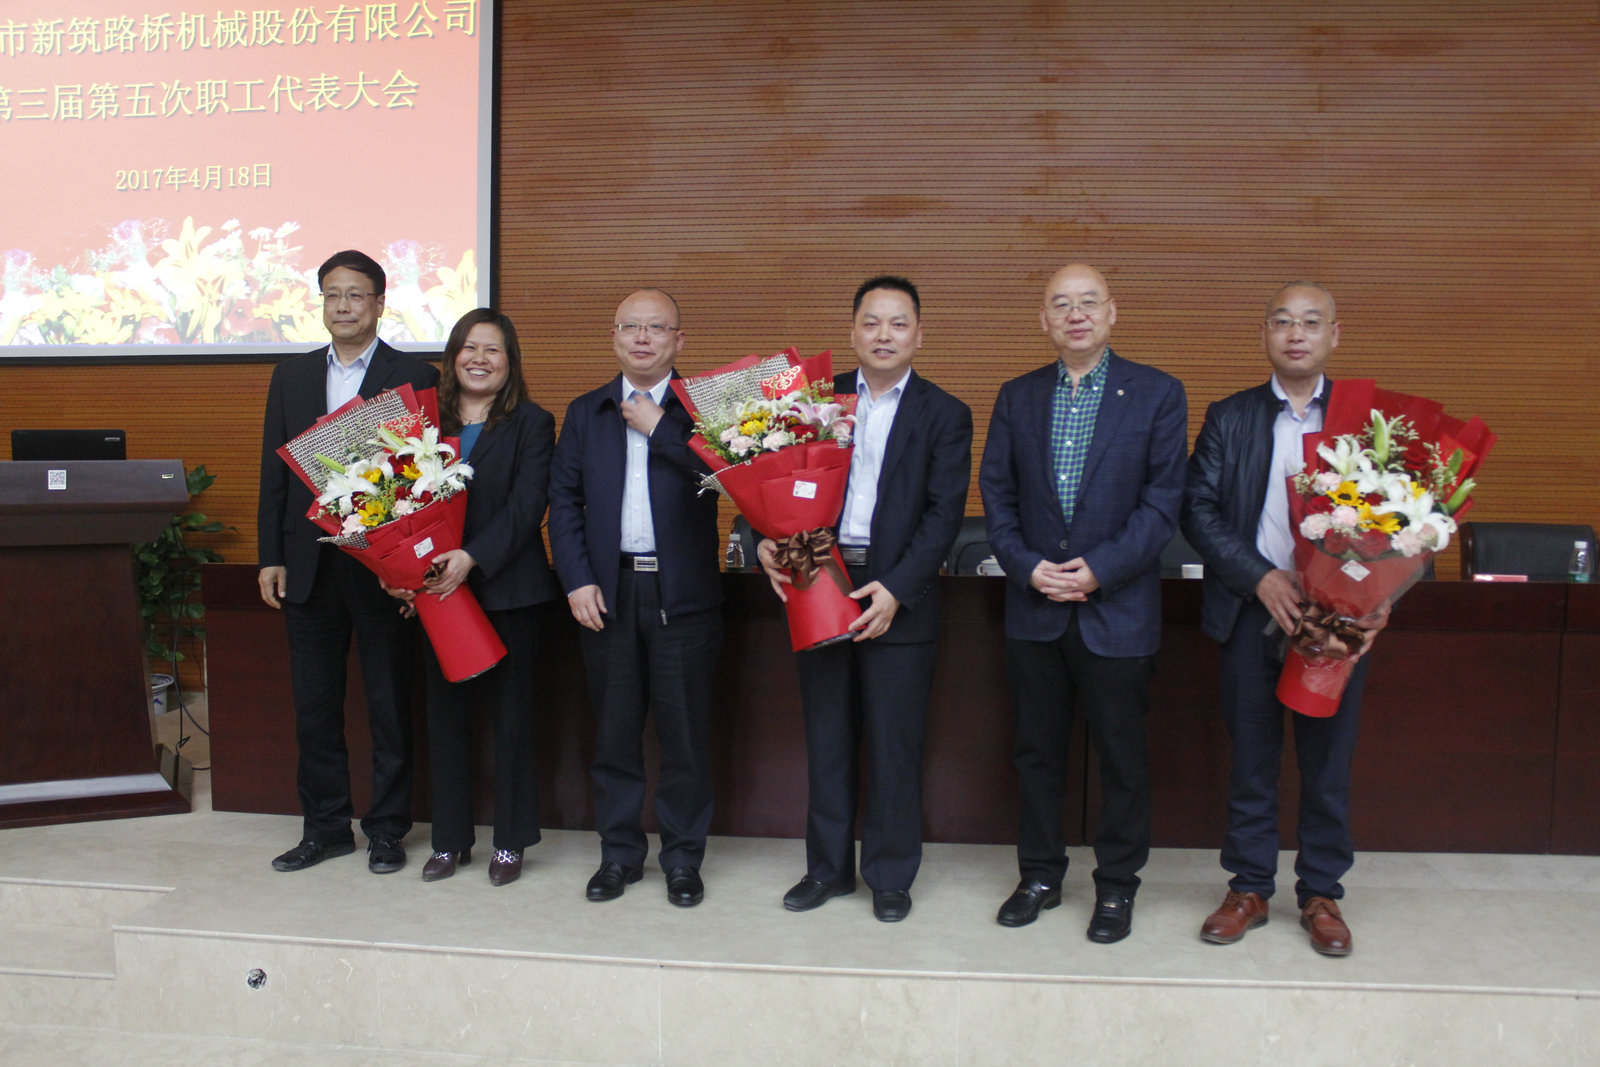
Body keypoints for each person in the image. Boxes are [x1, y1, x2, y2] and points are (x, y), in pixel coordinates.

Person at [978, 262, 1186, 943]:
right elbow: (997, 495)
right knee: (1036, 754)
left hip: (1117, 611)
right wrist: (1027, 566)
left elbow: (1162, 504)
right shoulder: (1017, 395)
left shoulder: (1157, 393)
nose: (1076, 315)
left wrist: (1100, 570)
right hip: (1035, 608)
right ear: (1044, 319)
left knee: (1122, 759)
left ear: (1111, 312)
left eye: (1088, 302)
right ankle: (1039, 875)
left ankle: (1118, 886)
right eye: (1062, 304)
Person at [757, 275, 972, 923]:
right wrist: (764, 538)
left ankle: (890, 873)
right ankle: (827, 870)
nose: (884, 334)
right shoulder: (814, 402)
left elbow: (943, 514)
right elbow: (769, 477)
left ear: (919, 335)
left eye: (898, 323)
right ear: (852, 332)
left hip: (896, 586)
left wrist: (898, 588)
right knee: (827, 736)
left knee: (894, 743)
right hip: (818, 574)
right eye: (871, 322)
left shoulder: (945, 412)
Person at [1181, 281, 1387, 957]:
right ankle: (1248, 887)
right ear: (1265, 334)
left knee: (1328, 763)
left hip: (1339, 618)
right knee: (1252, 760)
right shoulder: (1231, 416)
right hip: (1252, 612)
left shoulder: (1366, 420)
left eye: (1310, 322)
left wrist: (1381, 597)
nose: (1296, 334)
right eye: (1282, 321)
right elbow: (1198, 510)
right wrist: (1259, 575)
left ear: (1335, 334)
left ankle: (1322, 892)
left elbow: (1406, 517)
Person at [257, 249, 439, 874]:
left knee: (388, 704)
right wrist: (270, 556)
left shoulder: (412, 374)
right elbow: (274, 474)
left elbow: (425, 477)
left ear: (379, 303)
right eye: (332, 294)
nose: (343, 306)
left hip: (381, 570)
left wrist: (412, 568)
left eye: (356, 294)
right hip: (308, 566)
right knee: (315, 708)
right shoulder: (291, 375)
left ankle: (387, 830)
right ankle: (326, 828)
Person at [547, 288, 723, 907]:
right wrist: (577, 578)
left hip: (685, 596)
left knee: (685, 738)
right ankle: (619, 855)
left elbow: (726, 477)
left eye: (657, 327)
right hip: (608, 592)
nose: (643, 337)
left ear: (679, 339)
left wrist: (663, 431)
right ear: (614, 337)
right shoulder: (586, 411)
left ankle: (683, 860)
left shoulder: (705, 410)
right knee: (615, 737)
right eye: (631, 326)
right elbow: (564, 502)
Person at [402, 309, 558, 887]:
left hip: (510, 591)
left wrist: (471, 557)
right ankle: (450, 840)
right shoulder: (419, 424)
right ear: (452, 356)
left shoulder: (533, 423)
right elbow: (397, 505)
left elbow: (528, 505)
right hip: (438, 594)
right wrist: (409, 571)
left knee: (512, 722)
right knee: (447, 721)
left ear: (510, 362)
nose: (480, 359)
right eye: (470, 347)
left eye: (493, 350)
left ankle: (511, 841)